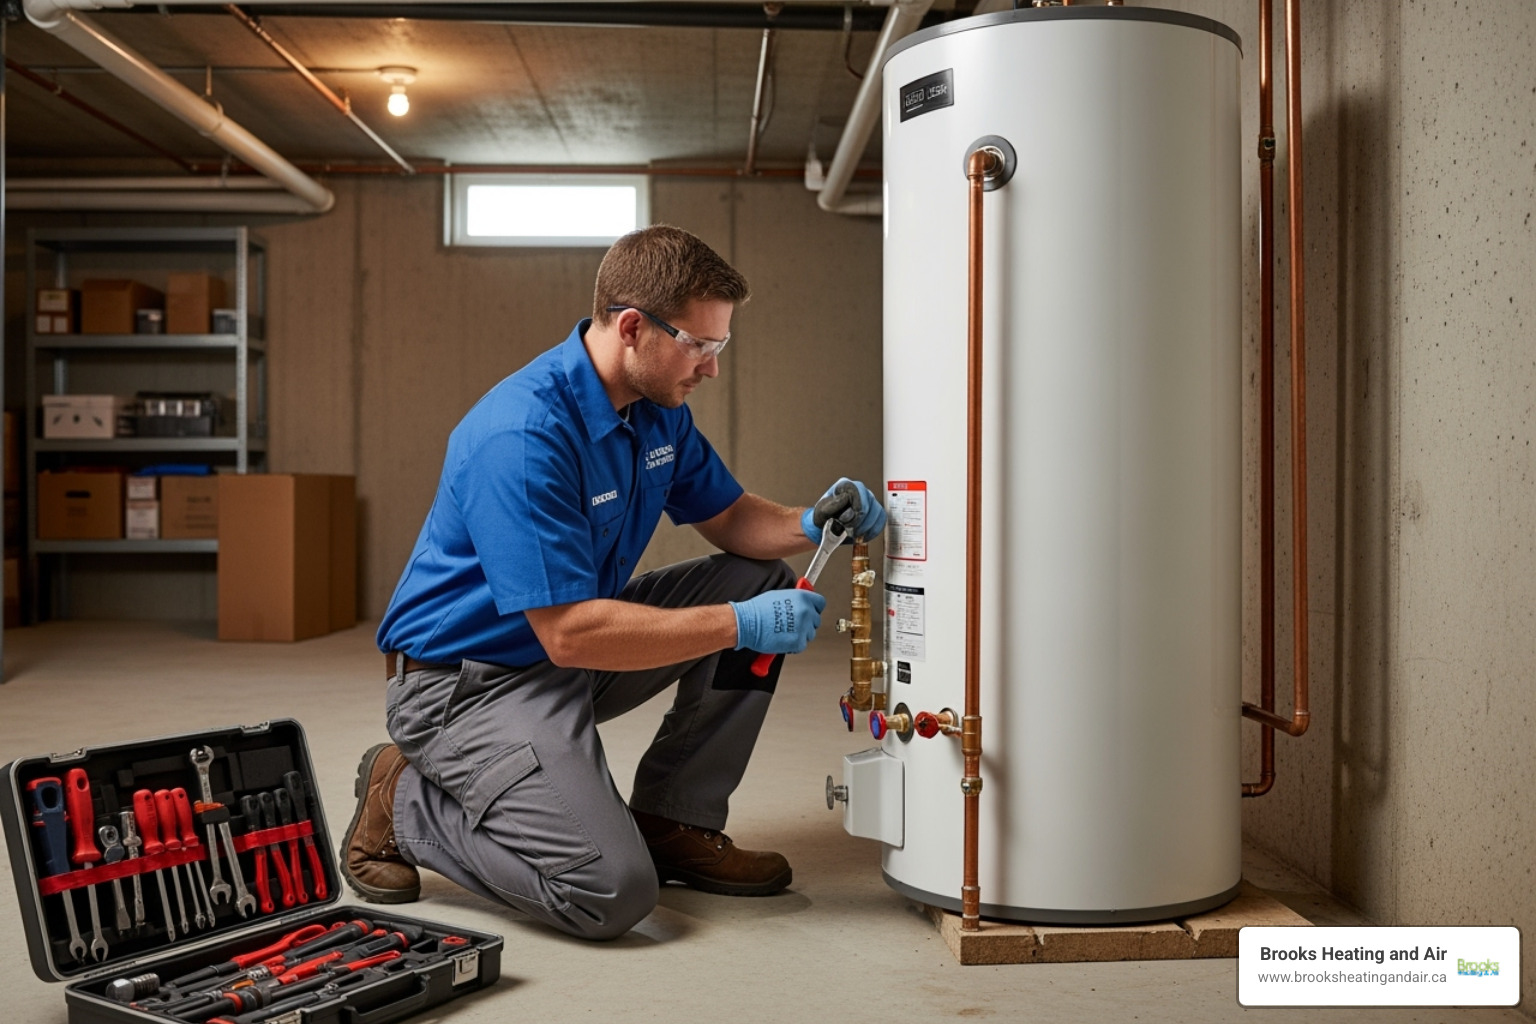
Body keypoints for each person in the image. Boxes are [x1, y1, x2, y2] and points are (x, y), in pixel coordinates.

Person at [340, 225, 885, 941]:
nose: (712, 368)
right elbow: (568, 634)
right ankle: (402, 800)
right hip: (468, 685)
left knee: (759, 578)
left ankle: (674, 819)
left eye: (720, 346)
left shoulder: (657, 413)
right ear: (633, 327)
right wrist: (738, 627)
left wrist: (813, 521)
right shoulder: (525, 436)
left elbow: (732, 521)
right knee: (609, 891)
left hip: (567, 649)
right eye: (701, 345)